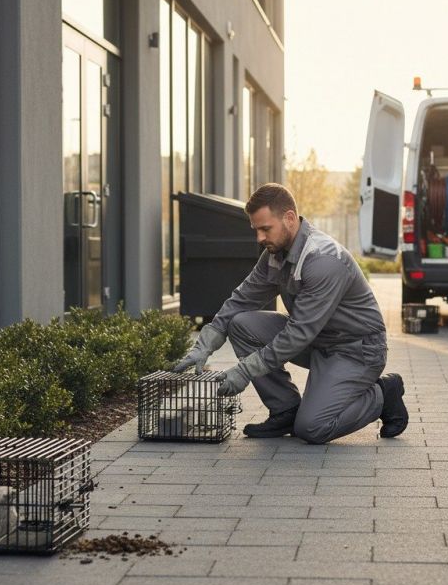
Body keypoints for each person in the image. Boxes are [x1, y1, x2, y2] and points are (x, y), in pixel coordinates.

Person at [172, 183, 408, 443]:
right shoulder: (276, 254)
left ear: (290, 218)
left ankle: (384, 394)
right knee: (241, 324)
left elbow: (299, 332)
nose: (259, 238)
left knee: (313, 428)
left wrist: (243, 371)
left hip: (355, 350)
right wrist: (203, 346)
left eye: (265, 229)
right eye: (256, 230)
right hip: (318, 341)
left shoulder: (322, 260)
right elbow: (242, 299)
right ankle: (285, 409)